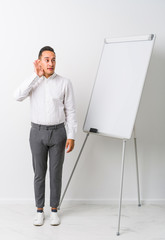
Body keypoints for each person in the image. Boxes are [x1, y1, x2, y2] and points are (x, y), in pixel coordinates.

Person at [14, 46, 77, 226]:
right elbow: (17, 96)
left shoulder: (65, 83)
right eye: (47, 59)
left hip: (58, 133)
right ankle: (39, 210)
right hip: (37, 132)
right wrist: (36, 75)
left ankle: (55, 210)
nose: (51, 63)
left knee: (56, 173)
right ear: (40, 61)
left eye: (53, 59)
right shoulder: (34, 82)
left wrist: (71, 135)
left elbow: (71, 111)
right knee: (39, 173)